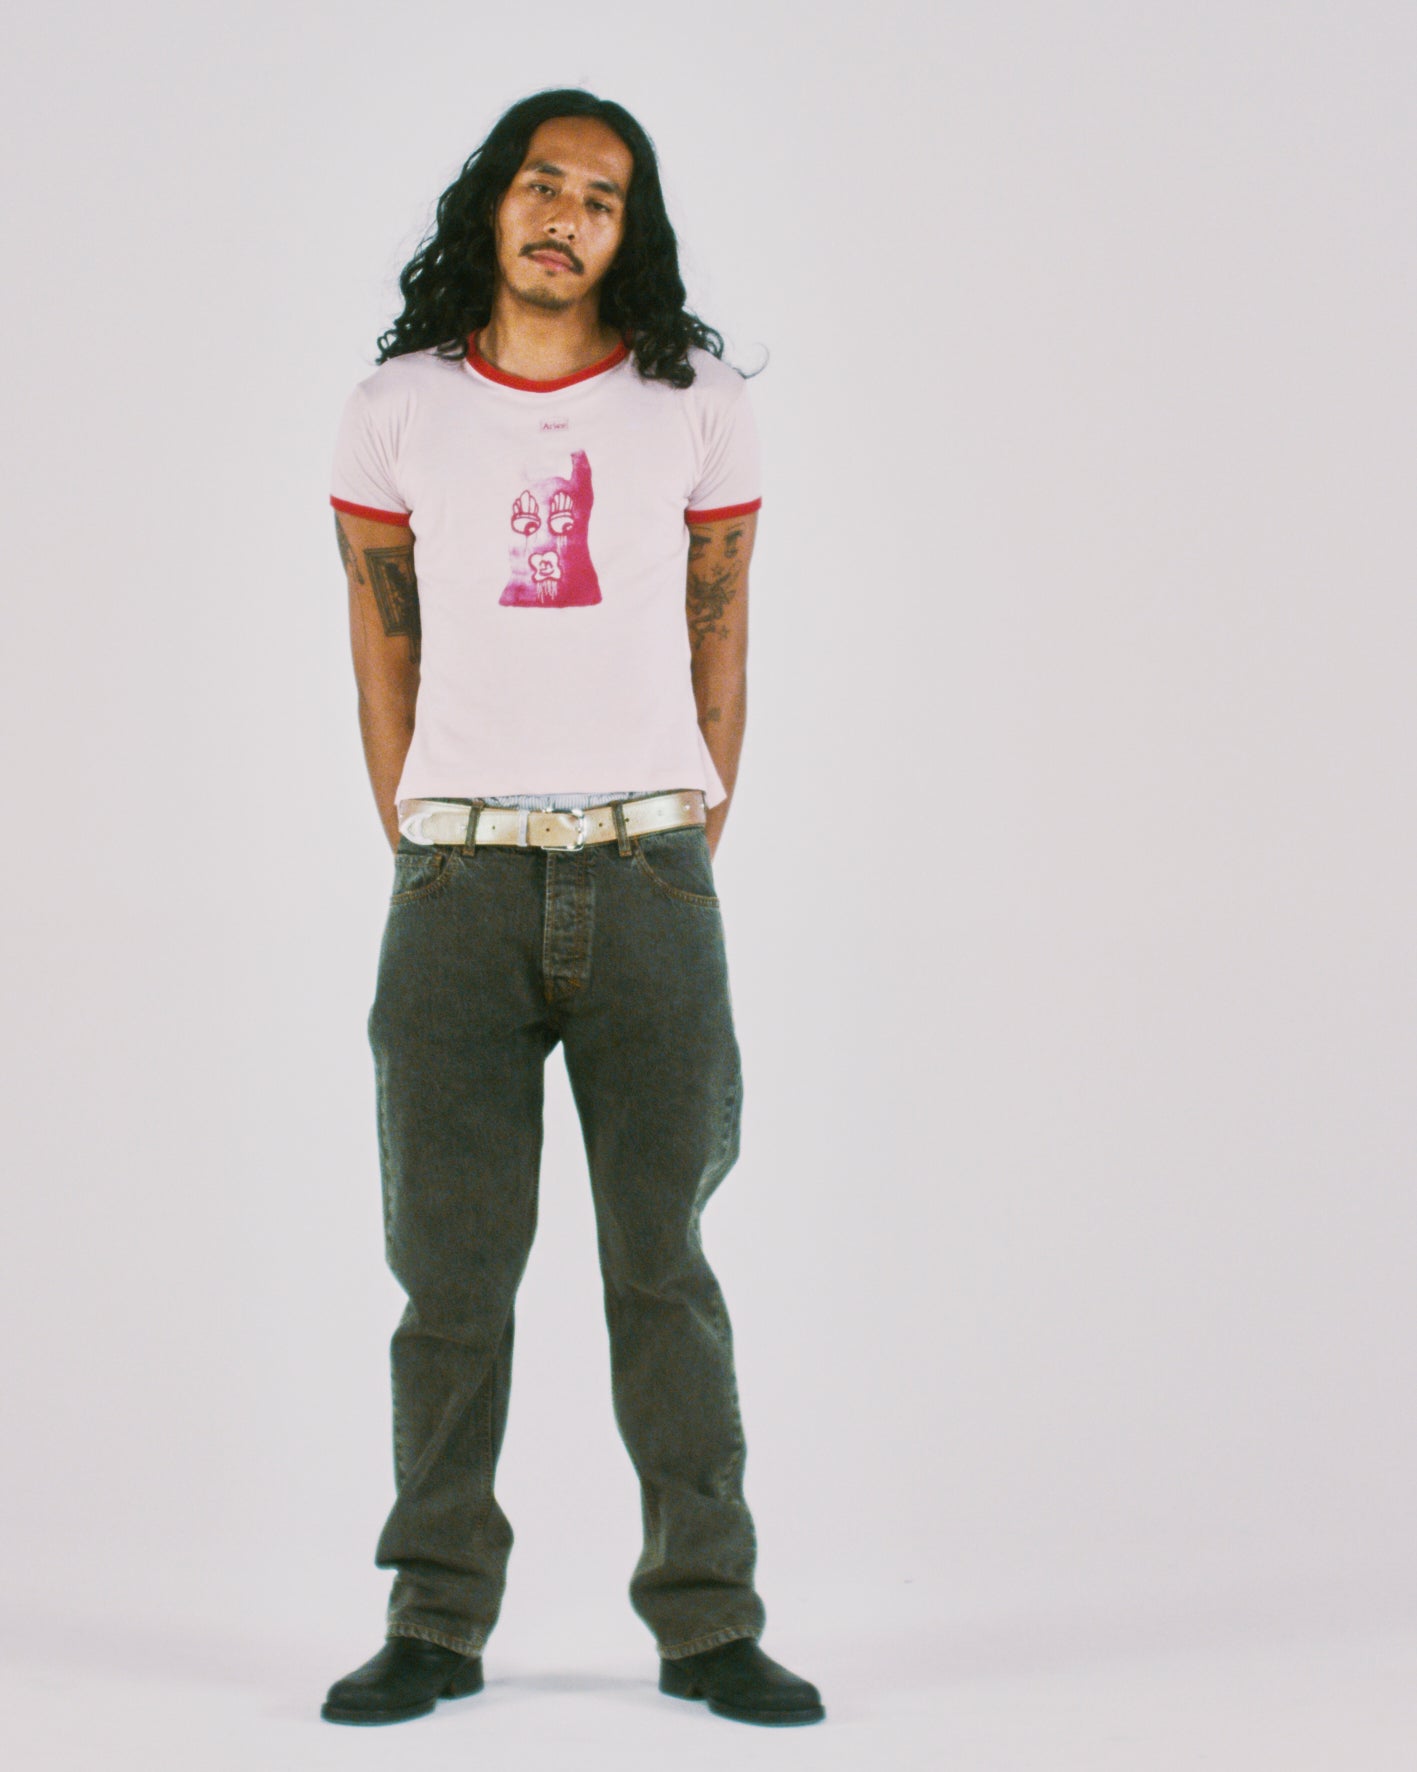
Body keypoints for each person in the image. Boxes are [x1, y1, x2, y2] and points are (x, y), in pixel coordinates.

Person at [320, 88, 824, 1730]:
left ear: (629, 232)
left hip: (649, 873)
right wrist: (421, 834)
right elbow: (381, 641)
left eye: (602, 199)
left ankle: (707, 1619)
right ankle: (434, 1617)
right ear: (492, 202)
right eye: (543, 183)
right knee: (448, 1281)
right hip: (455, 882)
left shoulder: (696, 405)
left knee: (661, 1267)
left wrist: (683, 829)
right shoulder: (398, 407)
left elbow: (719, 629)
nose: (566, 216)